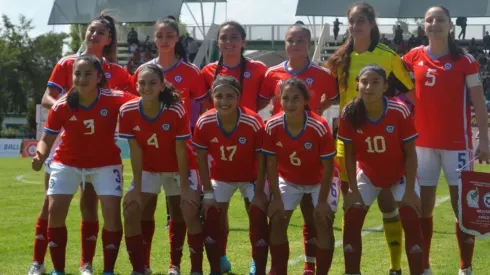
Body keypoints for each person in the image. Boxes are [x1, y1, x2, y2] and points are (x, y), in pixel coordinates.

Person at [30, 14, 131, 275]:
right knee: (49, 204)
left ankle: (86, 263)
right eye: (90, 30)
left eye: (100, 32)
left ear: (109, 40)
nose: (94, 34)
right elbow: (47, 97)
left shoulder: (118, 72)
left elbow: (135, 100)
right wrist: (68, 109)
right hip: (64, 143)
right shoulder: (66, 63)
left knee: (90, 205)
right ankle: (38, 262)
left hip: (99, 149)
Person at [325, 3, 415, 275]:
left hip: (383, 140)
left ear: (372, 24)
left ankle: (396, 266)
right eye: (352, 21)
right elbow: (335, 95)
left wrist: (404, 128)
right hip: (347, 141)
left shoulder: (387, 56)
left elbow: (410, 93)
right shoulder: (340, 58)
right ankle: (352, 269)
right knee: (351, 207)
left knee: (389, 203)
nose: (356, 26)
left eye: (361, 20)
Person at [402, 6, 489, 275]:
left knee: (462, 206)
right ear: (424, 26)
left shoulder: (465, 60)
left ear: (450, 24)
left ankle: (466, 268)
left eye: (440, 19)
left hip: (458, 146)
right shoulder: (412, 57)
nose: (434, 24)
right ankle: (424, 267)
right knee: (423, 207)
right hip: (422, 145)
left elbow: (478, 101)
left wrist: (484, 140)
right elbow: (394, 85)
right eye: (429, 20)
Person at [128, 17, 209, 274]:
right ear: (154, 38)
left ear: (177, 39)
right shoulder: (143, 72)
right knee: (145, 209)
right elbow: (138, 110)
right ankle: (144, 265)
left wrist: (201, 139)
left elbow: (207, 107)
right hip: (151, 154)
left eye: (169, 35)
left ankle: (176, 265)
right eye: (160, 35)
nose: (164, 40)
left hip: (180, 151)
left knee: (180, 210)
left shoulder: (191, 72)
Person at [259, 22, 338, 274]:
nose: (295, 45)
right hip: (287, 166)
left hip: (316, 166)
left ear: (309, 44)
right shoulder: (272, 74)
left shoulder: (323, 75)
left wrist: (321, 110)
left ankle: (313, 267)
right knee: (279, 217)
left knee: (318, 218)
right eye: (290, 40)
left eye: (301, 40)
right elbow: (262, 100)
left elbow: (334, 96)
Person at [338, 64, 425, 275]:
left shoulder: (399, 110)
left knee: (410, 216)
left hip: (400, 174)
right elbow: (349, 155)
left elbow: (411, 153)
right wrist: (353, 190)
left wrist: (411, 191)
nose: (369, 87)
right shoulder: (349, 113)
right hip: (368, 174)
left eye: (375, 82)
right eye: (364, 82)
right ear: (357, 83)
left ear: (385, 86)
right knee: (352, 217)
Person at [200, 21, 269, 273]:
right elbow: (205, 104)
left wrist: (245, 120)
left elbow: (264, 99)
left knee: (256, 209)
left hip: (251, 139)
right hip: (220, 144)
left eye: (234, 37)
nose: (228, 42)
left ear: (243, 41)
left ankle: (256, 259)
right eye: (224, 37)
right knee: (219, 208)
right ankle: (220, 258)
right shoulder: (207, 70)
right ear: (218, 42)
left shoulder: (260, 69)